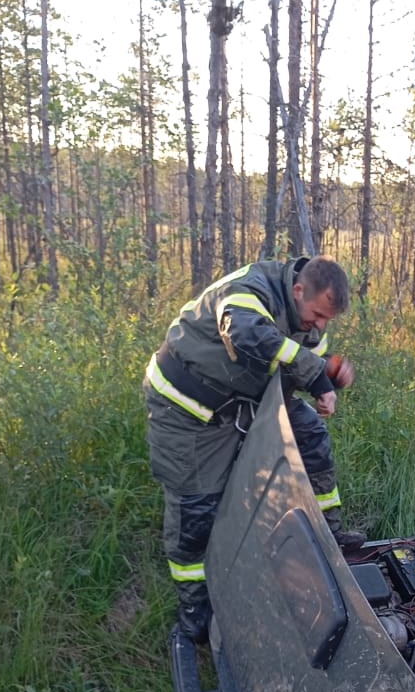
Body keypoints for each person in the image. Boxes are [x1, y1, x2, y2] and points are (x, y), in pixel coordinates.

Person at [144, 252, 363, 643]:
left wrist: (327, 369)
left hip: (246, 399)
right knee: (196, 508)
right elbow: (246, 334)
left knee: (310, 438)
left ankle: (330, 536)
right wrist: (316, 373)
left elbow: (296, 362)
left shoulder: (309, 321)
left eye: (329, 319)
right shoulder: (249, 288)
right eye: (317, 314)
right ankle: (195, 610)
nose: (321, 325)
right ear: (298, 290)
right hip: (189, 409)